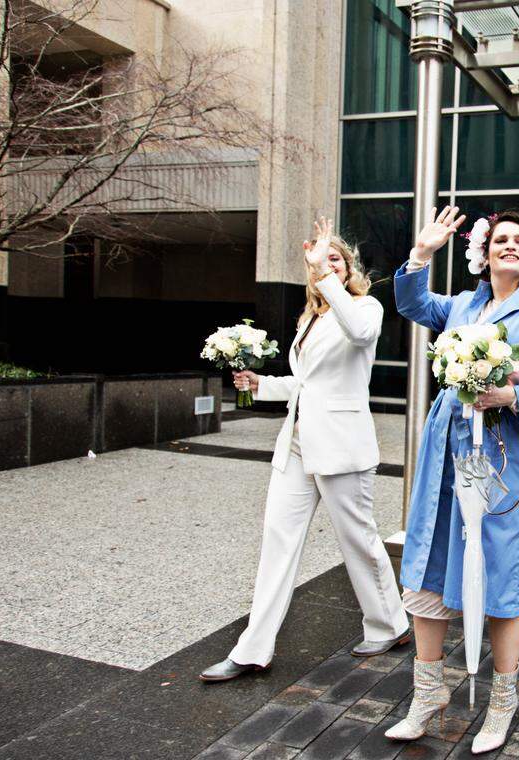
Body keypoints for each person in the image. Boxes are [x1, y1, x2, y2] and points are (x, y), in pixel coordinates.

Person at [385, 207, 519, 753]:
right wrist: (422, 254)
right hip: (445, 457)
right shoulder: (463, 304)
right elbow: (411, 303)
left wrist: (512, 396)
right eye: (500, 239)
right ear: (484, 252)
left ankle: (502, 702)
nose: (510, 246)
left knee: (501, 576)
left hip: (503, 460)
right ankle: (427, 695)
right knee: (428, 567)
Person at [200, 217, 409, 682]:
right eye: (319, 258)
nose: (326, 263)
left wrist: (328, 277)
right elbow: (307, 383)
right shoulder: (308, 318)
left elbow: (358, 333)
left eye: (335, 257)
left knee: (359, 541)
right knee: (276, 543)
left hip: (341, 447)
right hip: (295, 446)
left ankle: (390, 623)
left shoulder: (364, 307)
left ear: (346, 268)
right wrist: (262, 384)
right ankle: (253, 650)